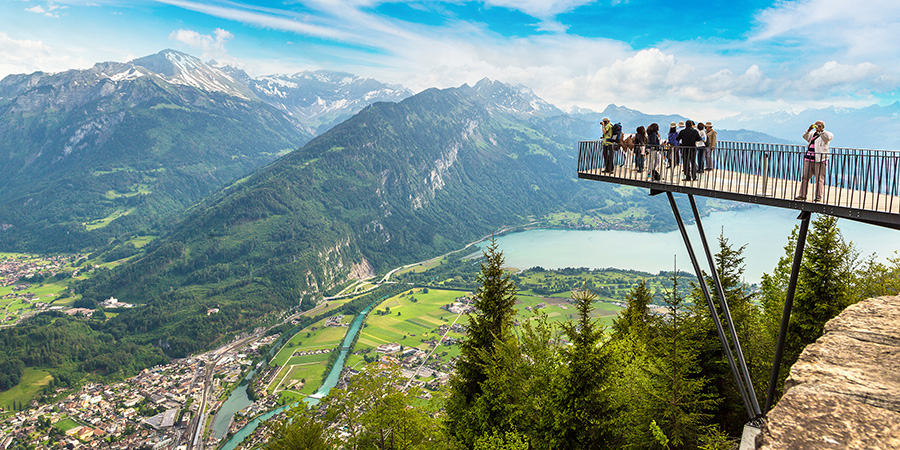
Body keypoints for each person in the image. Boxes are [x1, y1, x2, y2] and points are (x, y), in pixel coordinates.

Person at [796, 120, 833, 202]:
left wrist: (821, 131)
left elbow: (828, 138)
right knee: (805, 177)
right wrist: (809, 129)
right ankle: (802, 195)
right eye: (816, 125)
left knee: (819, 178)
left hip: (819, 160)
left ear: (823, 127)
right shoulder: (812, 134)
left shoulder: (826, 135)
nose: (817, 127)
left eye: (819, 125)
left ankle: (818, 196)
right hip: (809, 159)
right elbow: (805, 136)